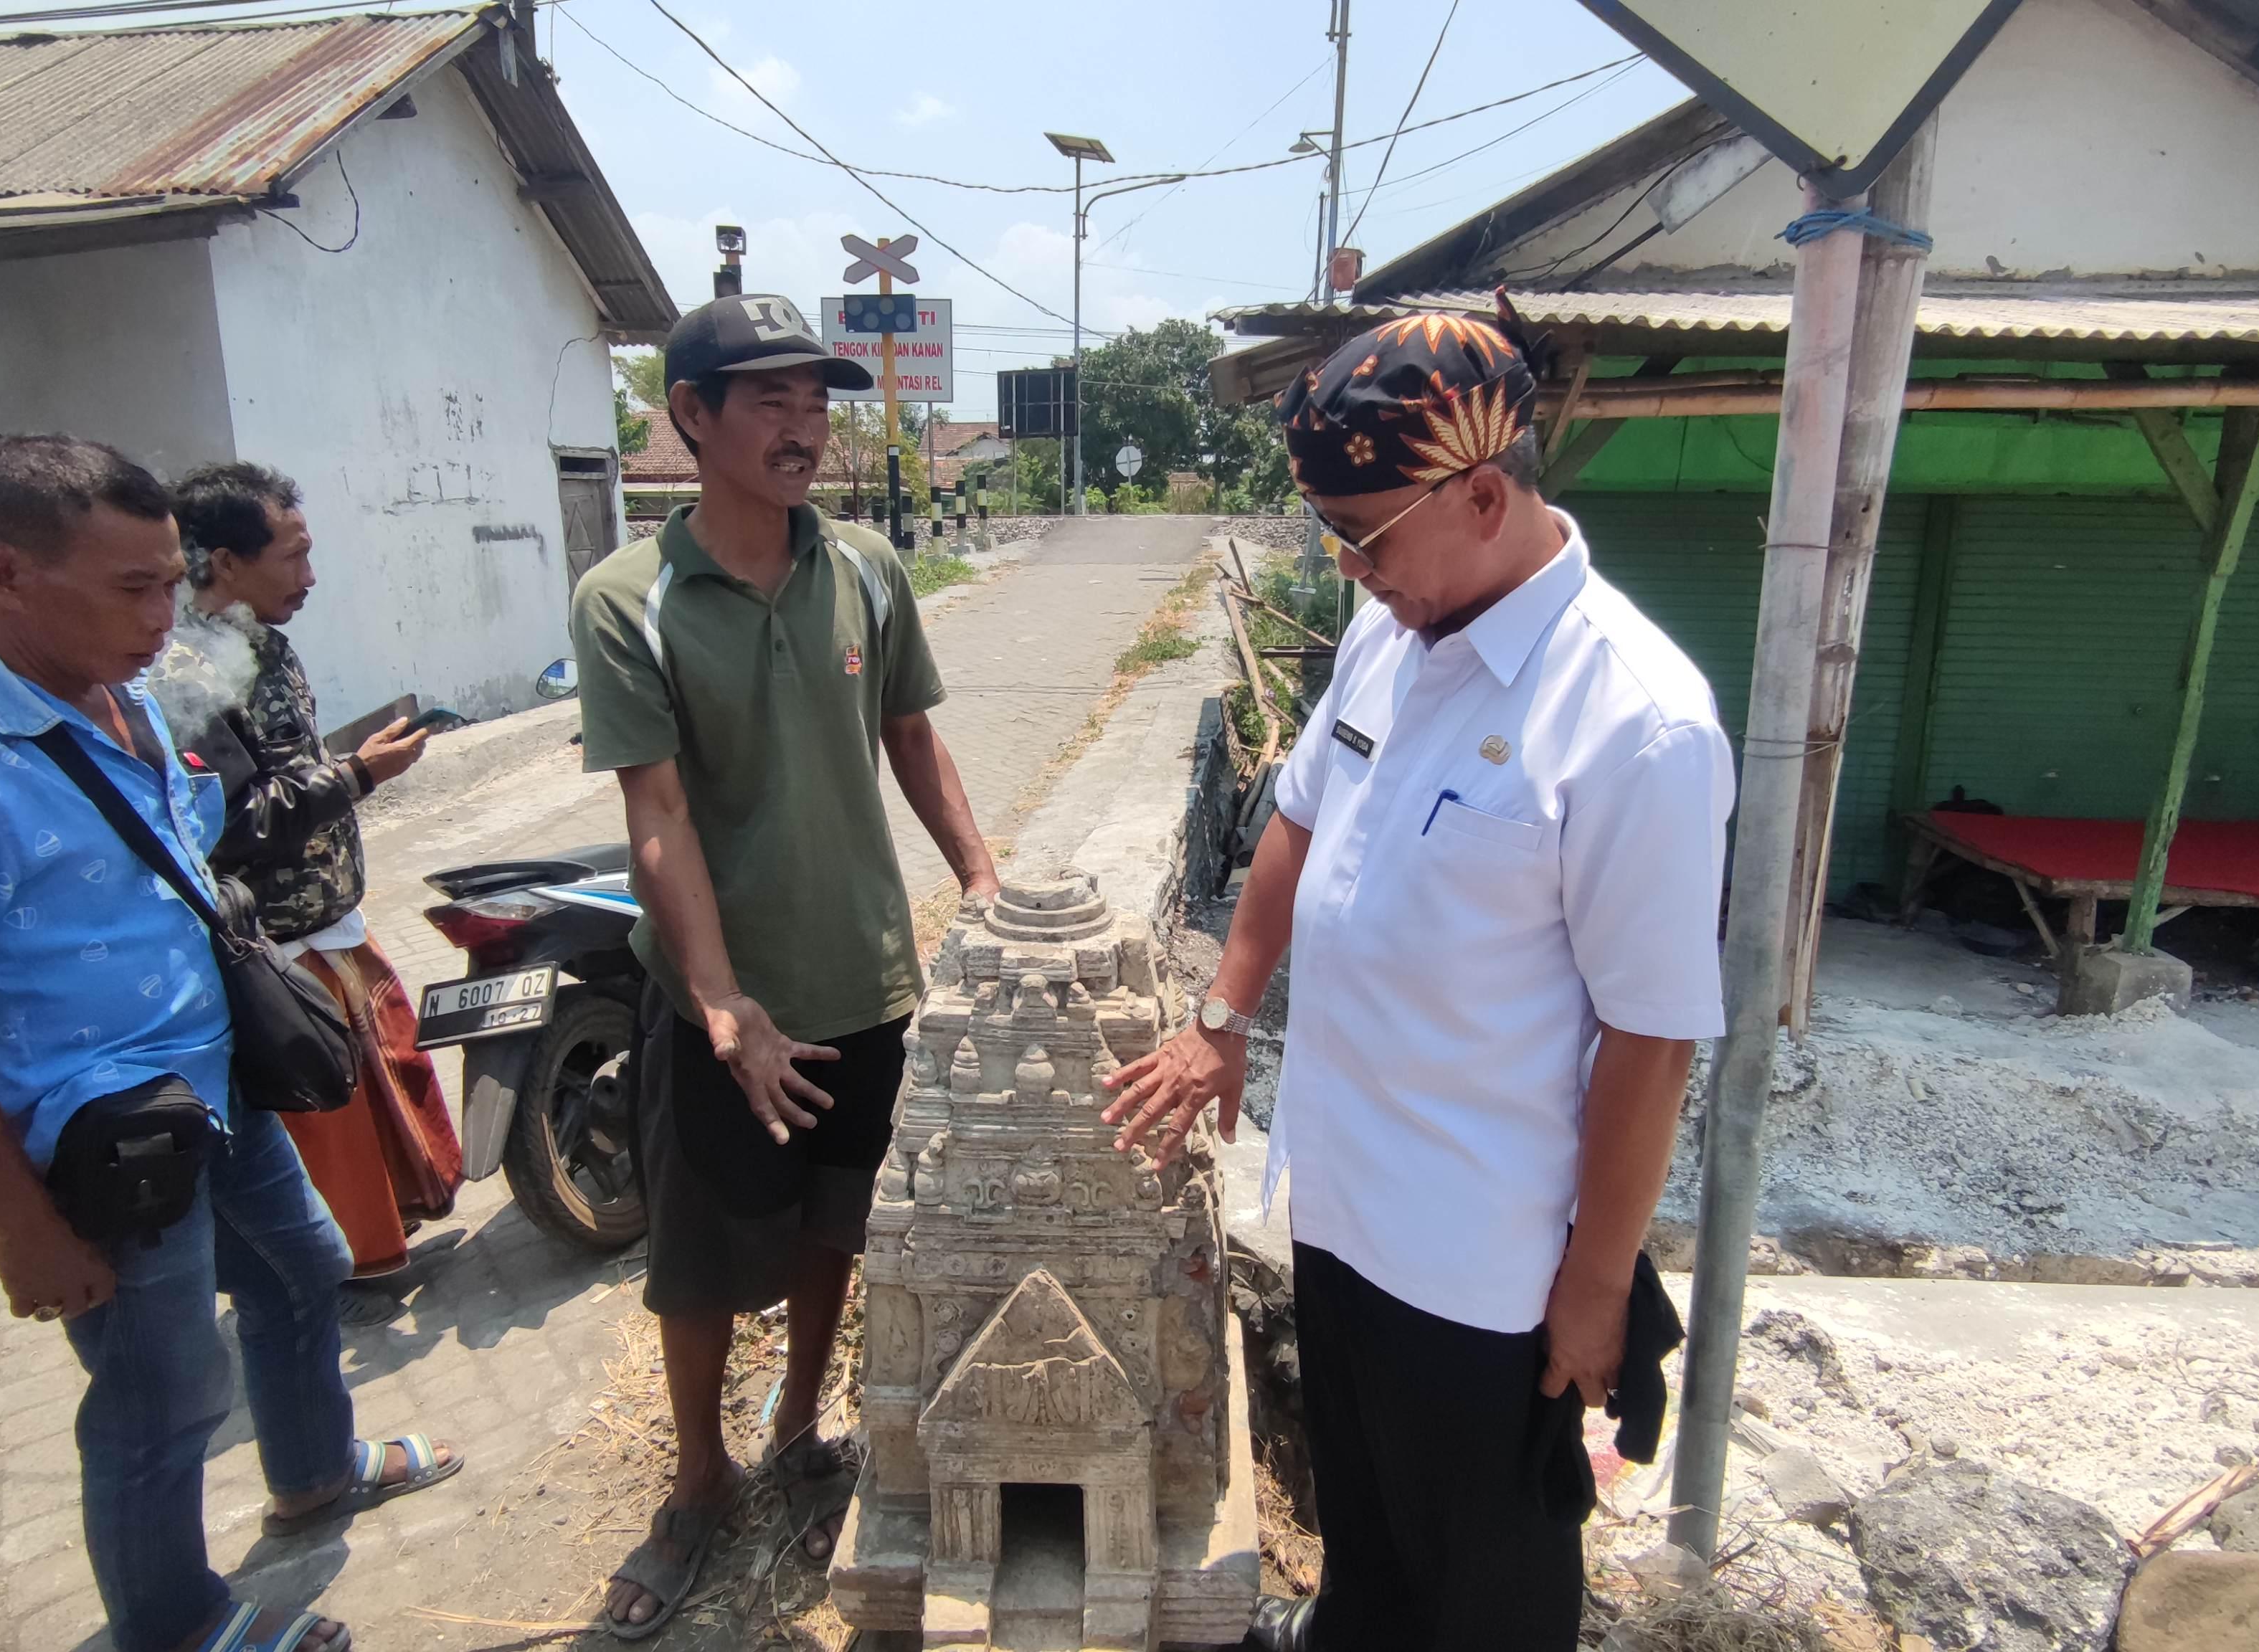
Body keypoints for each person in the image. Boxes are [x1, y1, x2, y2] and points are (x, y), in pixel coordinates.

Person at [1102, 311, 1734, 1652]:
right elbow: (1297, 821)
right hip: (1335, 1203)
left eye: (1367, 532)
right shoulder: (1394, 632)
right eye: (1334, 533)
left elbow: (1652, 1035)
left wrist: (1596, 1282)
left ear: (1487, 493)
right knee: (1370, 1527)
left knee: (1485, 1585)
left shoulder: (1634, 720)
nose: (1349, 564)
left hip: (1480, 1266)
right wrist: (1223, 1017)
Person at [0, 435, 463, 1652]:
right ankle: (176, 1621)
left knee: (304, 1267)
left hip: (213, 1088)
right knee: (163, 1394)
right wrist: (24, 1226)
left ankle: (316, 1467)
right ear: (5, 574)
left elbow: (188, 840)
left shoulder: (126, 699)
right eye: (133, 588)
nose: (167, 614)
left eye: (173, 580)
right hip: (104, 1144)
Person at [572, 294, 1000, 1638]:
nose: (803, 427)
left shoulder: (867, 565)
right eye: (769, 400)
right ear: (688, 416)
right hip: (722, 997)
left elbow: (913, 738)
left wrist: (982, 884)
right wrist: (715, 999)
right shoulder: (628, 601)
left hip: (866, 978)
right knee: (699, 1256)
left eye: (817, 403)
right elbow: (659, 815)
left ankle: (801, 1425)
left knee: (839, 1221)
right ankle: (698, 1478)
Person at [156, 461, 463, 1314]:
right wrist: (359, 776)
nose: (310, 575)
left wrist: (346, 767)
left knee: (385, 1068)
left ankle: (381, 1235)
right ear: (221, 562)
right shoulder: (179, 673)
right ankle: (336, 1268)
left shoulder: (261, 644)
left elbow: (284, 766)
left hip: (327, 916)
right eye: (291, 556)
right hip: (273, 940)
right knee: (320, 1107)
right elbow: (228, 818)